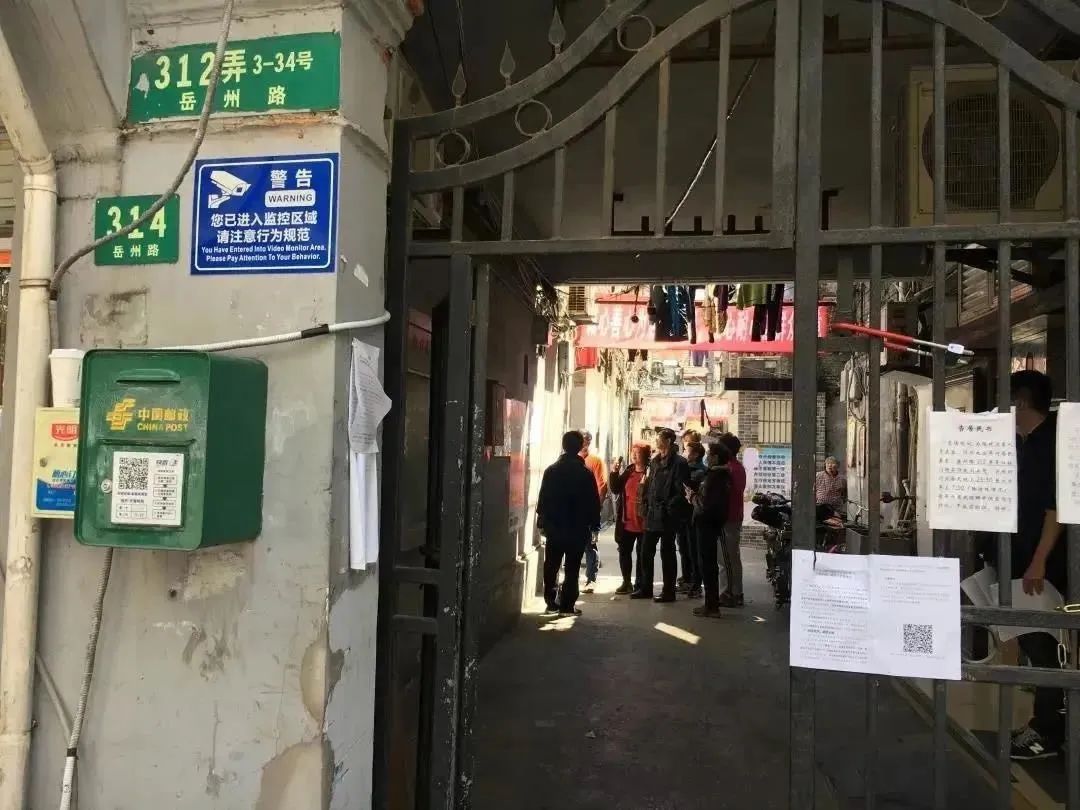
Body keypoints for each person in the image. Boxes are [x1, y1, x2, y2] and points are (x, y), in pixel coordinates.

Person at [998, 370, 1067, 760]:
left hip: (1042, 570)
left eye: (1008, 401)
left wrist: (1038, 562)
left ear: (1021, 402)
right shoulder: (1021, 442)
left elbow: (1055, 509)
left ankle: (1046, 732)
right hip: (1021, 561)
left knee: (1044, 648)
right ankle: (1049, 723)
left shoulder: (1052, 443)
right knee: (1035, 643)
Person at [536, 431, 602, 616]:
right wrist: (594, 525)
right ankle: (567, 605)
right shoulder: (585, 473)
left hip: (555, 527)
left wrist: (542, 521)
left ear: (563, 446)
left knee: (552, 565)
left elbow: (543, 500)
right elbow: (593, 502)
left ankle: (551, 602)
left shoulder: (551, 471)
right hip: (577, 528)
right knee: (572, 567)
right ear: (580, 446)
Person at [637, 428, 692, 602]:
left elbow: (682, 490)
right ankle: (646, 588)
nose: (656, 440)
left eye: (659, 437)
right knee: (646, 551)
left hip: (668, 515)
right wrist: (645, 503)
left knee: (667, 553)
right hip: (653, 513)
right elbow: (650, 485)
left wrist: (669, 506)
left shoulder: (680, 463)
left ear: (668, 441)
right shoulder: (654, 461)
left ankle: (668, 592)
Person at [691, 442, 733, 617]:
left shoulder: (716, 477)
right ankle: (710, 603)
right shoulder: (719, 475)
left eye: (709, 454)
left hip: (707, 523)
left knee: (707, 564)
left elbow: (706, 504)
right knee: (708, 563)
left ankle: (712, 606)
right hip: (710, 522)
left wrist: (692, 497)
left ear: (716, 457)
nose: (707, 457)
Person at [609, 444, 651, 595]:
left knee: (642, 555)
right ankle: (626, 582)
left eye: (637, 452)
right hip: (627, 521)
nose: (634, 455)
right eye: (632, 452)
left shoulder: (651, 472)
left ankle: (640, 584)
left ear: (645, 455)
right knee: (624, 552)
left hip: (644, 522)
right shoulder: (629, 471)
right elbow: (615, 488)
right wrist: (614, 472)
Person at [718, 433, 747, 607]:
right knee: (730, 557)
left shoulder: (729, 469)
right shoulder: (736, 467)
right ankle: (734, 592)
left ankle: (730, 593)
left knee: (726, 559)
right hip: (732, 516)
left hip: (728, 517)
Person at [579, 430, 608, 593]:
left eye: (587, 440)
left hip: (589, 512)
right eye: (582, 440)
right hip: (573, 512)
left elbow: (602, 486)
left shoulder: (595, 461)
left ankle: (591, 579)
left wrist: (598, 507)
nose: (585, 443)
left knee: (590, 545)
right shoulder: (571, 460)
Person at [680, 441, 708, 598]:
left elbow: (687, 485)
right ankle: (687, 579)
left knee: (694, 551)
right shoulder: (686, 468)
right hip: (684, 515)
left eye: (687, 451)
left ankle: (696, 583)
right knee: (684, 549)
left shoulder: (700, 471)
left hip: (694, 515)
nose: (685, 453)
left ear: (696, 454)